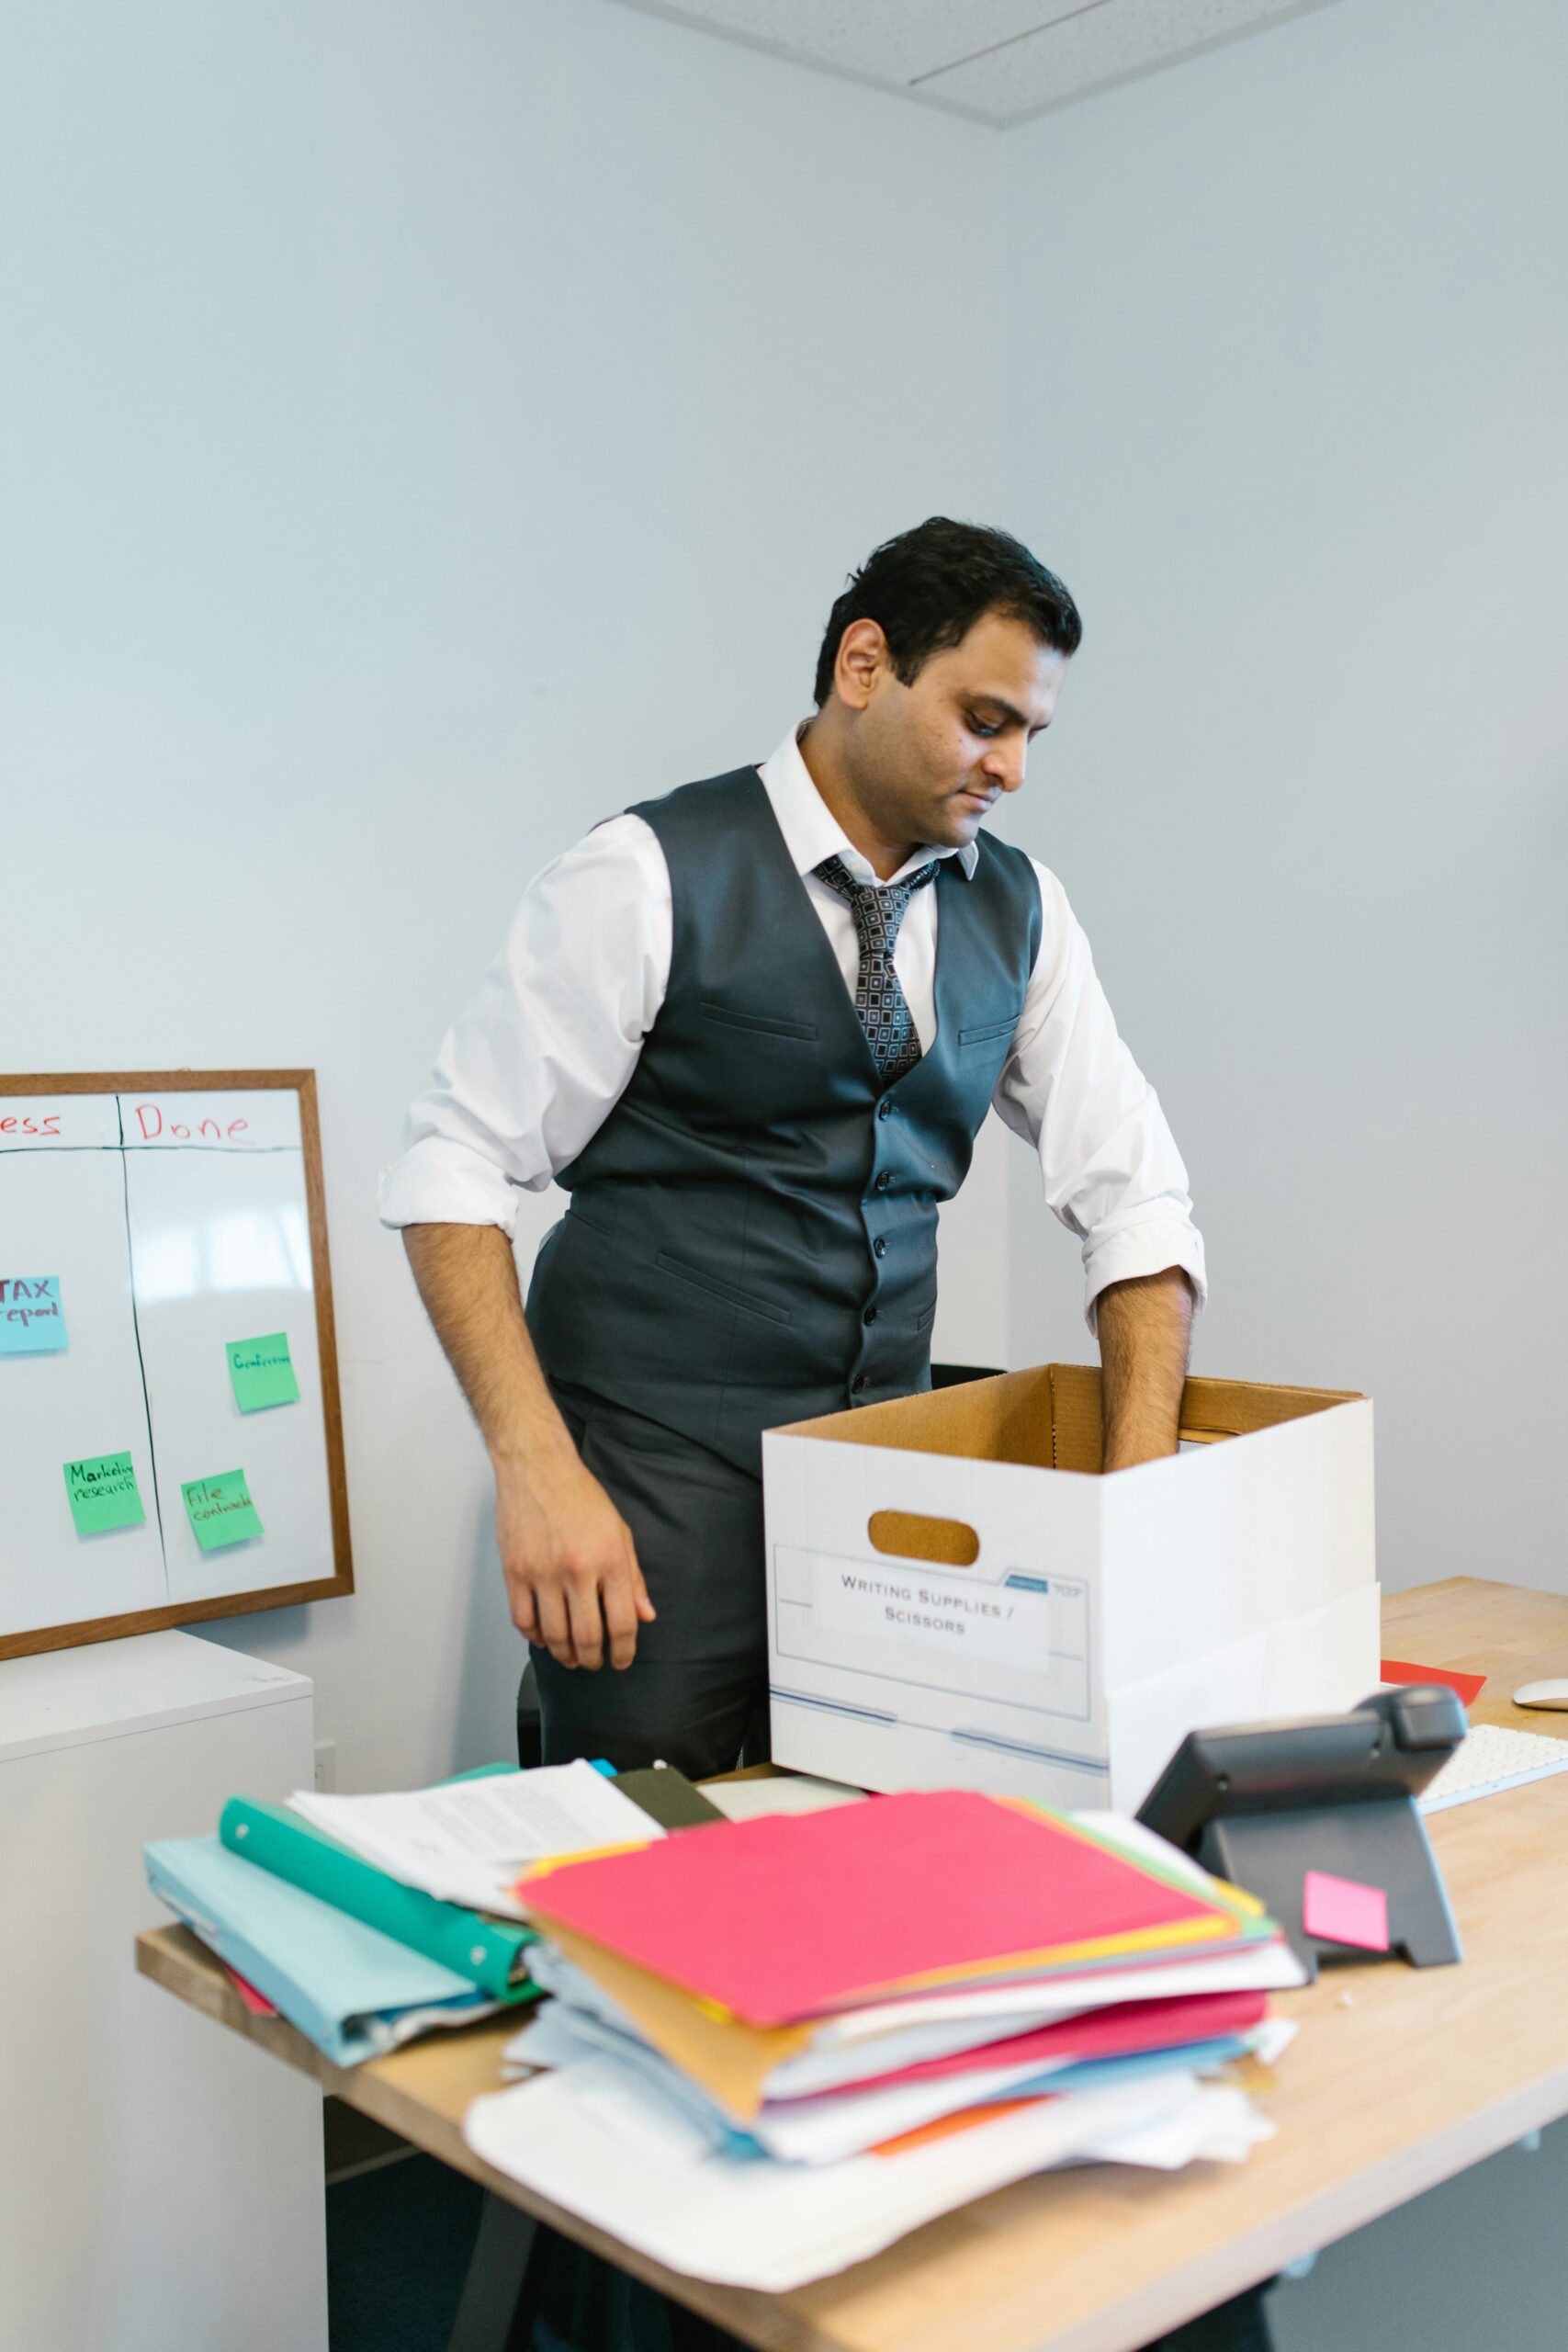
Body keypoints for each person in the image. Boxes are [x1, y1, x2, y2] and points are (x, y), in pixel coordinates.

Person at [380, 518, 1266, 2352]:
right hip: (648, 1459)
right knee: (638, 1936)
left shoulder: (1015, 905)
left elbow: (1136, 1202)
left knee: (859, 1914)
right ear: (862, 663)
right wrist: (539, 1473)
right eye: (981, 716)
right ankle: (590, 2320)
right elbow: (451, 1168)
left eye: (1029, 735)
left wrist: (1136, 1496)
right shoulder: (645, 870)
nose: (1006, 766)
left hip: (878, 1475)